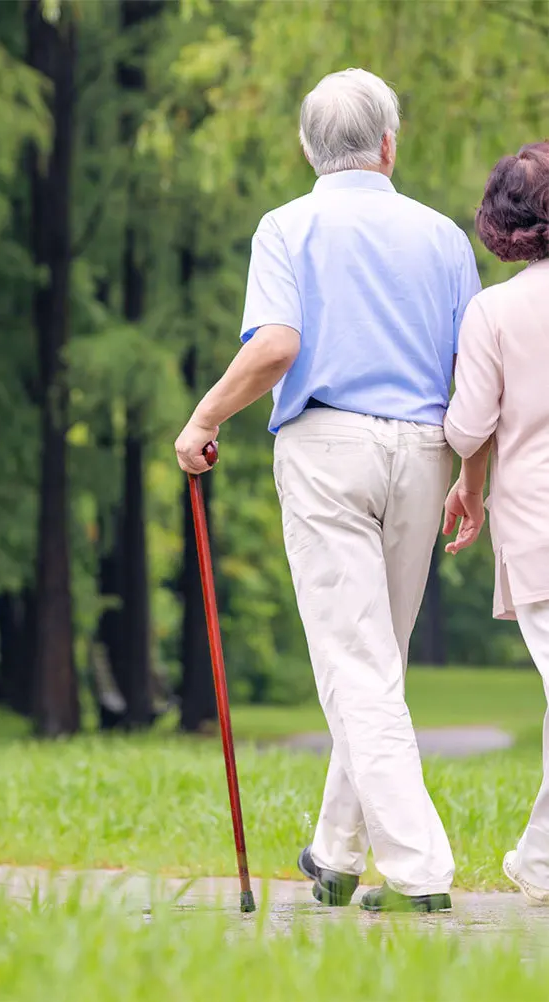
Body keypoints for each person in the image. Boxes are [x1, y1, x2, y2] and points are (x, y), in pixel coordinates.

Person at [175, 68, 481, 913]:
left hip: (327, 447)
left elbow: (276, 345)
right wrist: (471, 476)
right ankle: (337, 854)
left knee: (357, 666)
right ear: (389, 143)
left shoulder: (288, 226)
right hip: (424, 452)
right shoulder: (445, 238)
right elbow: (470, 374)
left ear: (309, 149)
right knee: (376, 663)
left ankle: (419, 870)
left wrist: (203, 418)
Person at [443, 141, 549, 906]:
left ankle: (542, 860)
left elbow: (468, 424)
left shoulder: (495, 311)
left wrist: (466, 480)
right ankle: (541, 860)